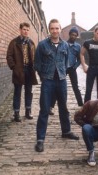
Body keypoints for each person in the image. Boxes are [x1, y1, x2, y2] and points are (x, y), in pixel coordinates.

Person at [34, 19, 79, 152]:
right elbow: (37, 63)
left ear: (60, 30)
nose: (55, 31)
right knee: (44, 110)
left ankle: (66, 131)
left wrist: (62, 73)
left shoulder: (65, 45)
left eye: (57, 28)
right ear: (49, 30)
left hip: (61, 80)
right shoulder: (42, 45)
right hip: (47, 81)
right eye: (52, 28)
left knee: (63, 108)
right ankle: (40, 139)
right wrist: (44, 76)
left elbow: (67, 62)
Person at [6, 22, 38, 122]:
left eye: (27, 30)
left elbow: (35, 56)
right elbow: (9, 56)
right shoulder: (14, 42)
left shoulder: (31, 43)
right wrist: (14, 67)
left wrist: (35, 67)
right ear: (20, 30)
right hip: (19, 70)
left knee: (29, 91)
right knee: (17, 92)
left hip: (29, 70)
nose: (26, 31)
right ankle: (16, 113)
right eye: (24, 29)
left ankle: (28, 112)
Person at [66, 27, 84, 107]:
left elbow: (80, 59)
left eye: (75, 35)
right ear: (69, 35)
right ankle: (51, 106)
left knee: (75, 86)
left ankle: (81, 104)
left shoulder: (78, 46)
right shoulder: (63, 44)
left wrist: (75, 66)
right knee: (58, 86)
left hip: (72, 68)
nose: (73, 36)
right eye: (72, 35)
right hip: (63, 68)